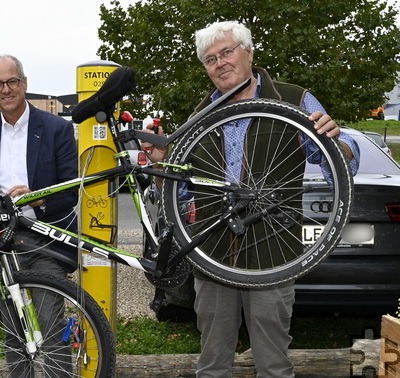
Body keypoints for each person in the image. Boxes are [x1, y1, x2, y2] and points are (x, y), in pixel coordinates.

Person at [142, 21, 360, 377]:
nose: (220, 63)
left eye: (227, 52)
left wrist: (339, 145)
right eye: (210, 59)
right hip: (212, 255)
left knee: (273, 364)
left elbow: (340, 162)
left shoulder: (293, 100)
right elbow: (183, 190)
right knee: (212, 364)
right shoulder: (199, 118)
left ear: (249, 52)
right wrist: (162, 166)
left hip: (272, 256)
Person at [0, 54, 79, 376]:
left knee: (51, 323)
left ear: (24, 83)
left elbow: (70, 191)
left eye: (12, 81)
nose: (6, 89)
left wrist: (37, 197)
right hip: (3, 243)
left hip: (45, 239)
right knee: (14, 331)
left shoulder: (57, 128)